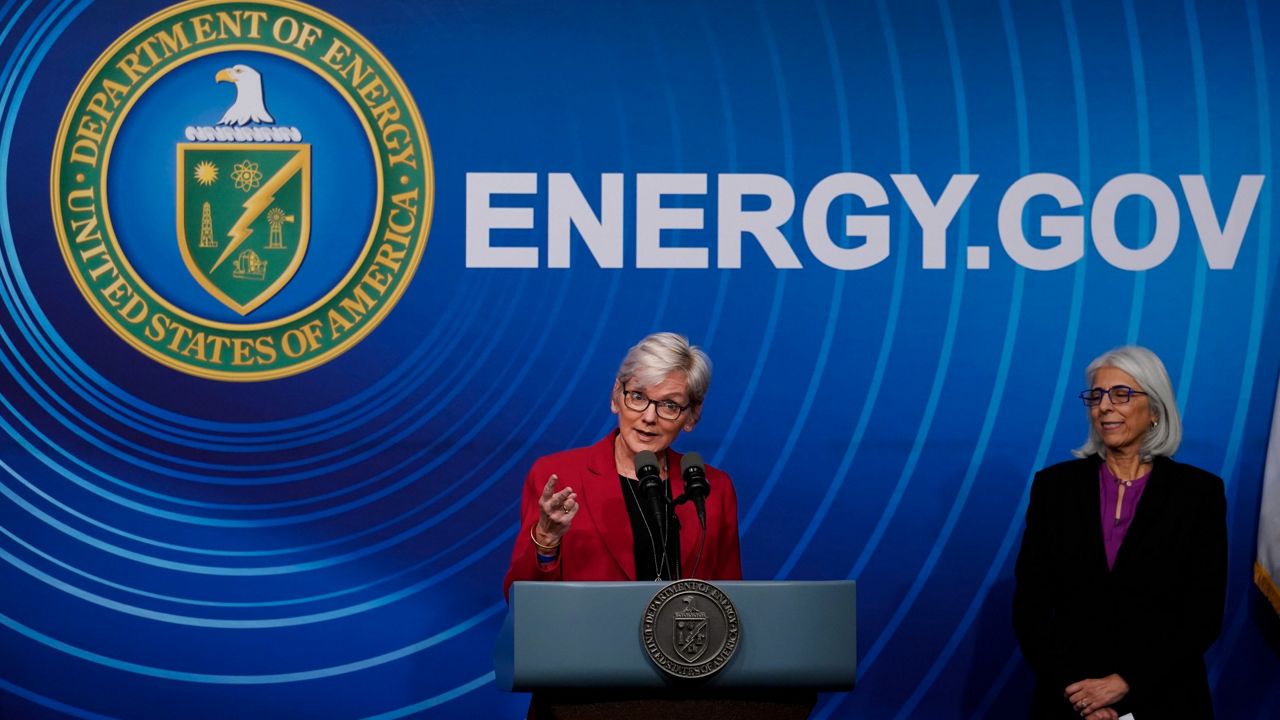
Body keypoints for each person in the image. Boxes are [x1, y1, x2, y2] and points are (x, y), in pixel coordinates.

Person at [1013, 346, 1227, 719]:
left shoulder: (1199, 494)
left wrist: (1126, 681)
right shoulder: (1055, 488)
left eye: (1121, 394)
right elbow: (1029, 608)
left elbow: (1202, 615)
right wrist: (1082, 695)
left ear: (1155, 409)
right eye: (1096, 396)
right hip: (1069, 701)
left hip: (1164, 698)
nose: (1105, 406)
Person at [503, 332, 742, 598]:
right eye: (638, 396)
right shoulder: (559, 476)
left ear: (692, 415)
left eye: (669, 405)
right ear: (616, 395)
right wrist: (546, 540)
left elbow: (731, 604)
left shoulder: (712, 490)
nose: (649, 417)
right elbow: (521, 602)